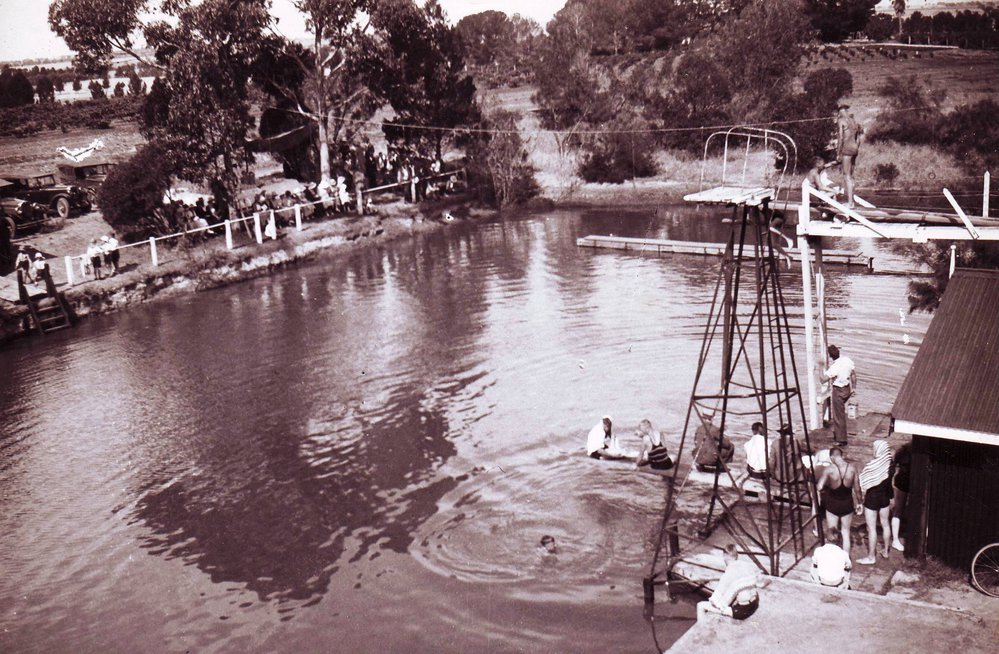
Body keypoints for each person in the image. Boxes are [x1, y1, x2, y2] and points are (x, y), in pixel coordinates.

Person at [696, 544, 768, 621]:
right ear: (736, 555)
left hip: (743, 611)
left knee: (700, 606)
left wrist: (716, 601)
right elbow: (759, 581)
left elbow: (718, 602)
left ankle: (701, 630)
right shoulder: (746, 565)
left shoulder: (728, 574)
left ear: (724, 556)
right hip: (755, 603)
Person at [816, 446, 860, 553]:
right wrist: (860, 503)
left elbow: (819, 487)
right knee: (846, 532)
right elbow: (857, 489)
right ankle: (846, 561)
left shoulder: (829, 469)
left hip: (832, 503)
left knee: (832, 532)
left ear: (831, 457)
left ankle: (832, 559)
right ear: (842, 456)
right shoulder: (852, 468)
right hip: (847, 503)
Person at [858, 440, 893, 565]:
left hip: (872, 498)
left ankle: (871, 557)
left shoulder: (871, 466)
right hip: (885, 498)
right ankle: (886, 551)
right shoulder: (890, 464)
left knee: (871, 528)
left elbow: (863, 481)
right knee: (885, 524)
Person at [820, 345, 856, 446]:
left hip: (838, 391)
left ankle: (841, 439)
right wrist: (854, 388)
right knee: (840, 413)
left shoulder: (834, 367)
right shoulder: (847, 360)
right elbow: (853, 374)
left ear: (830, 356)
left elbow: (823, 379)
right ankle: (840, 434)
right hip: (847, 389)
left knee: (838, 416)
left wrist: (820, 367)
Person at [836, 104, 864, 209]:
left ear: (839, 111)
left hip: (847, 148)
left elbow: (841, 138)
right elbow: (858, 138)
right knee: (851, 176)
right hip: (855, 148)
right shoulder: (853, 121)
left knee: (846, 175)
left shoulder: (841, 120)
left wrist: (838, 153)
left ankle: (850, 203)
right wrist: (856, 147)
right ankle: (852, 200)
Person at [890, 442, 911, 552]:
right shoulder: (915, 448)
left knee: (898, 510)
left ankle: (895, 539)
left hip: (900, 480)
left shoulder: (903, 449)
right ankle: (898, 539)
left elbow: (894, 464)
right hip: (909, 481)